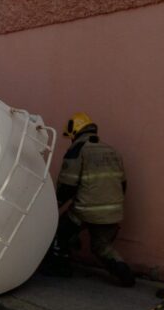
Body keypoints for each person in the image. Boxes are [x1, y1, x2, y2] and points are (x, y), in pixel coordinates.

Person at [46, 112, 135, 287]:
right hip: (113, 211)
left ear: (75, 131)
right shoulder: (112, 151)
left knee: (60, 231)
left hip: (86, 211)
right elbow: (123, 183)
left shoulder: (78, 150)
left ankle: (60, 267)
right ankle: (126, 276)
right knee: (101, 247)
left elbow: (67, 185)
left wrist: (54, 205)